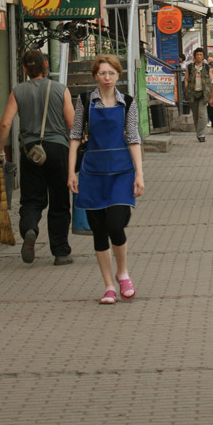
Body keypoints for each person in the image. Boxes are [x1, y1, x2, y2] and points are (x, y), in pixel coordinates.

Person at [67, 54, 144, 304]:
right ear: (95, 76)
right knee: (99, 232)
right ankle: (109, 286)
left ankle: (122, 272)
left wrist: (139, 174)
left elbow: (133, 137)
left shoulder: (128, 102)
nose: (107, 78)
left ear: (118, 75)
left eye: (111, 73)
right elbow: (76, 136)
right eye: (102, 73)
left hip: (122, 173)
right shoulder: (85, 101)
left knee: (115, 225)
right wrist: (71, 172)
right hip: (92, 173)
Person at [0, 48, 74, 266]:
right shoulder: (60, 89)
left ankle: (30, 228)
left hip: (31, 152)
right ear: (46, 65)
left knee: (31, 199)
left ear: (24, 69)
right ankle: (60, 252)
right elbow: (71, 123)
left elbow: (5, 123)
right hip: (58, 149)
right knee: (59, 201)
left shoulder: (18, 91)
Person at [184, 47, 212, 142]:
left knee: (202, 115)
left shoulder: (207, 67)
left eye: (201, 55)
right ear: (194, 56)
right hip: (192, 93)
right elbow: (186, 79)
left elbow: (211, 81)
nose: (199, 56)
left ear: (203, 56)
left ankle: (201, 134)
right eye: (197, 55)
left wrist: (211, 94)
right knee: (195, 116)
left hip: (203, 94)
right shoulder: (190, 67)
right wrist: (187, 89)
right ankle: (198, 133)